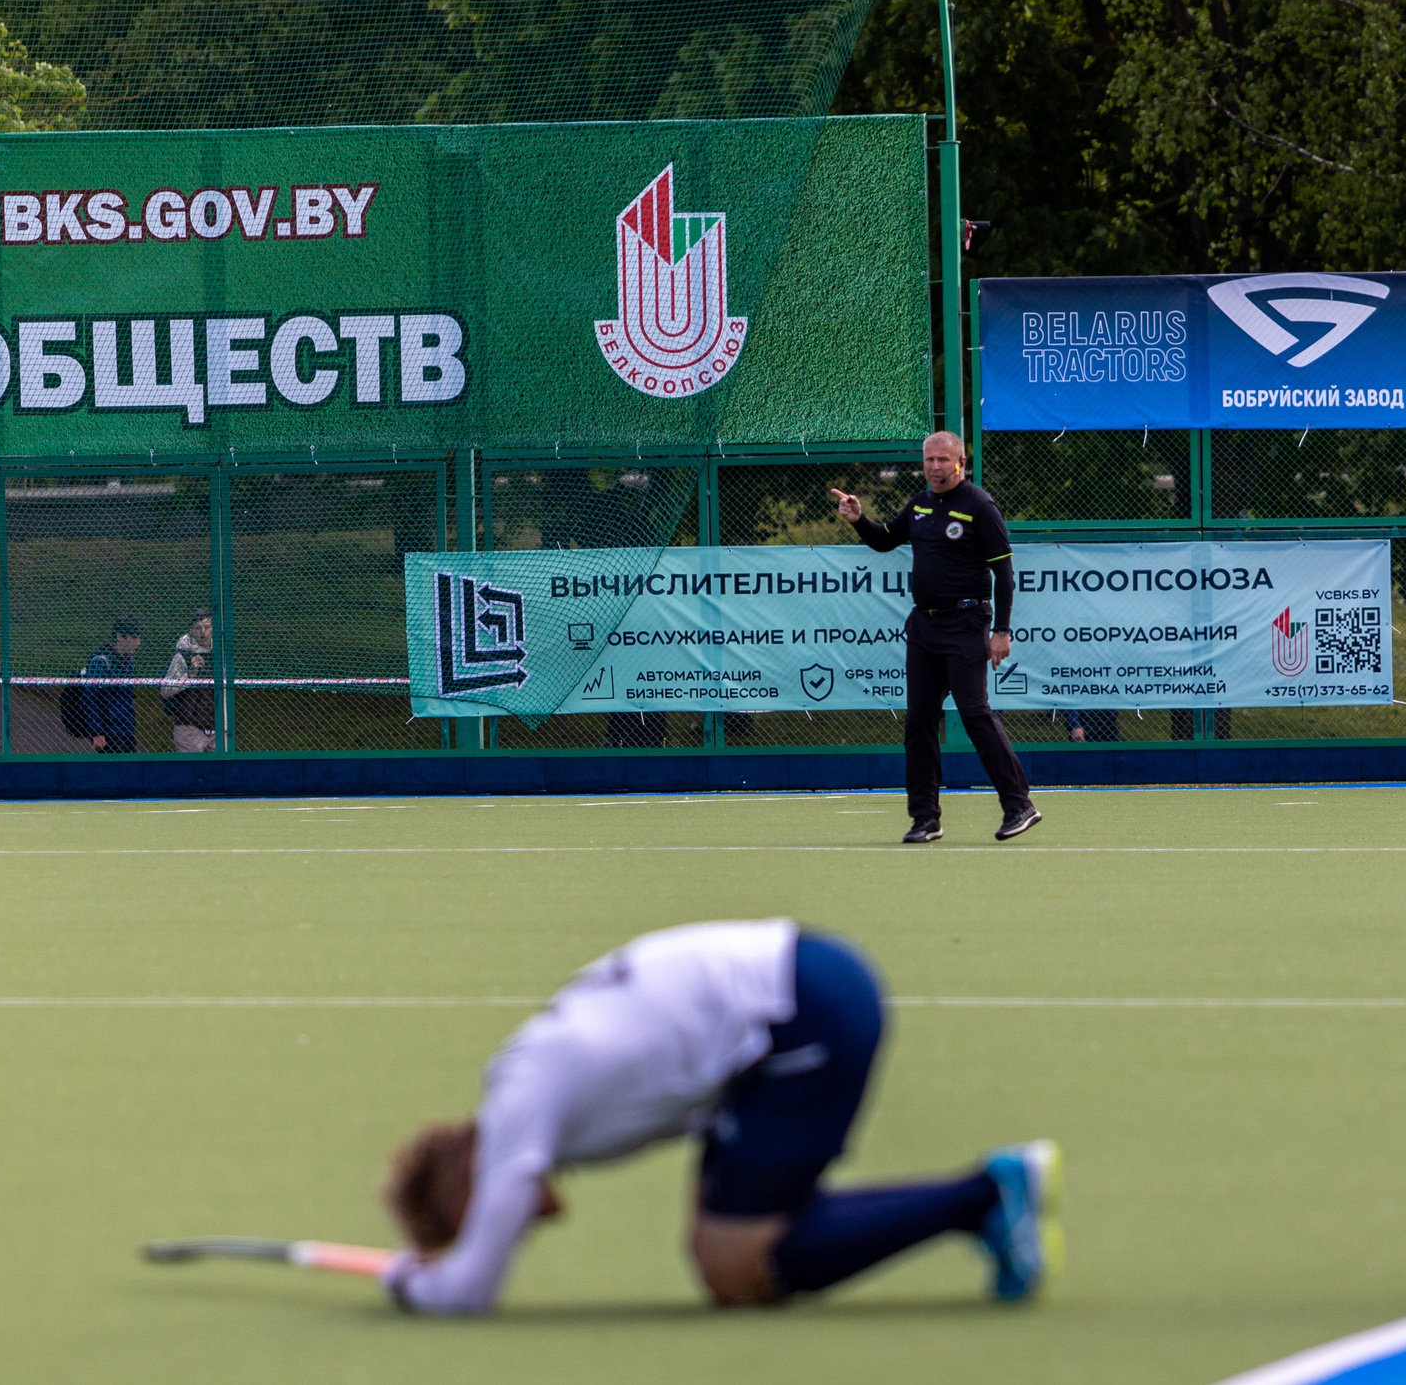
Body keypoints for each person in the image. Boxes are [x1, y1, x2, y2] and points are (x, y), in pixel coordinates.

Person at [378, 919, 1059, 1315]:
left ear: (471, 1172)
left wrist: (413, 1282)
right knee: (723, 1255)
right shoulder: (533, 1090)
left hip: (801, 1010)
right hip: (779, 1017)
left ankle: (988, 1195)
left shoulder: (518, 1098)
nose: (512, 1228)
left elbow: (470, 1291)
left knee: (737, 1267)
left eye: (479, 1220)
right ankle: (977, 1201)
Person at [831, 433, 1043, 843]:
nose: (934, 467)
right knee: (919, 722)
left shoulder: (979, 506)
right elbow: (885, 540)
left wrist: (1001, 630)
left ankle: (1019, 805)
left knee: (975, 713)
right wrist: (859, 519)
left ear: (962, 461)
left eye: (943, 459)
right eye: (929, 459)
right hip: (924, 628)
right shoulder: (920, 503)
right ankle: (925, 818)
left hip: (967, 624)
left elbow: (1004, 574)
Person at [78, 617, 143, 752]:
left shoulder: (129, 663)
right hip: (109, 730)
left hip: (127, 728)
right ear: (120, 637)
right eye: (134, 638)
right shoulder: (101, 662)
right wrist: (97, 732)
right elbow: (89, 697)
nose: (138, 643)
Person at [160, 608, 217, 752]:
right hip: (189, 726)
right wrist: (191, 675)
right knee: (192, 770)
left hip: (217, 724)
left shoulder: (219, 653)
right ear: (191, 630)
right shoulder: (183, 655)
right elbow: (166, 690)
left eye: (207, 627)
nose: (203, 632)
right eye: (198, 628)